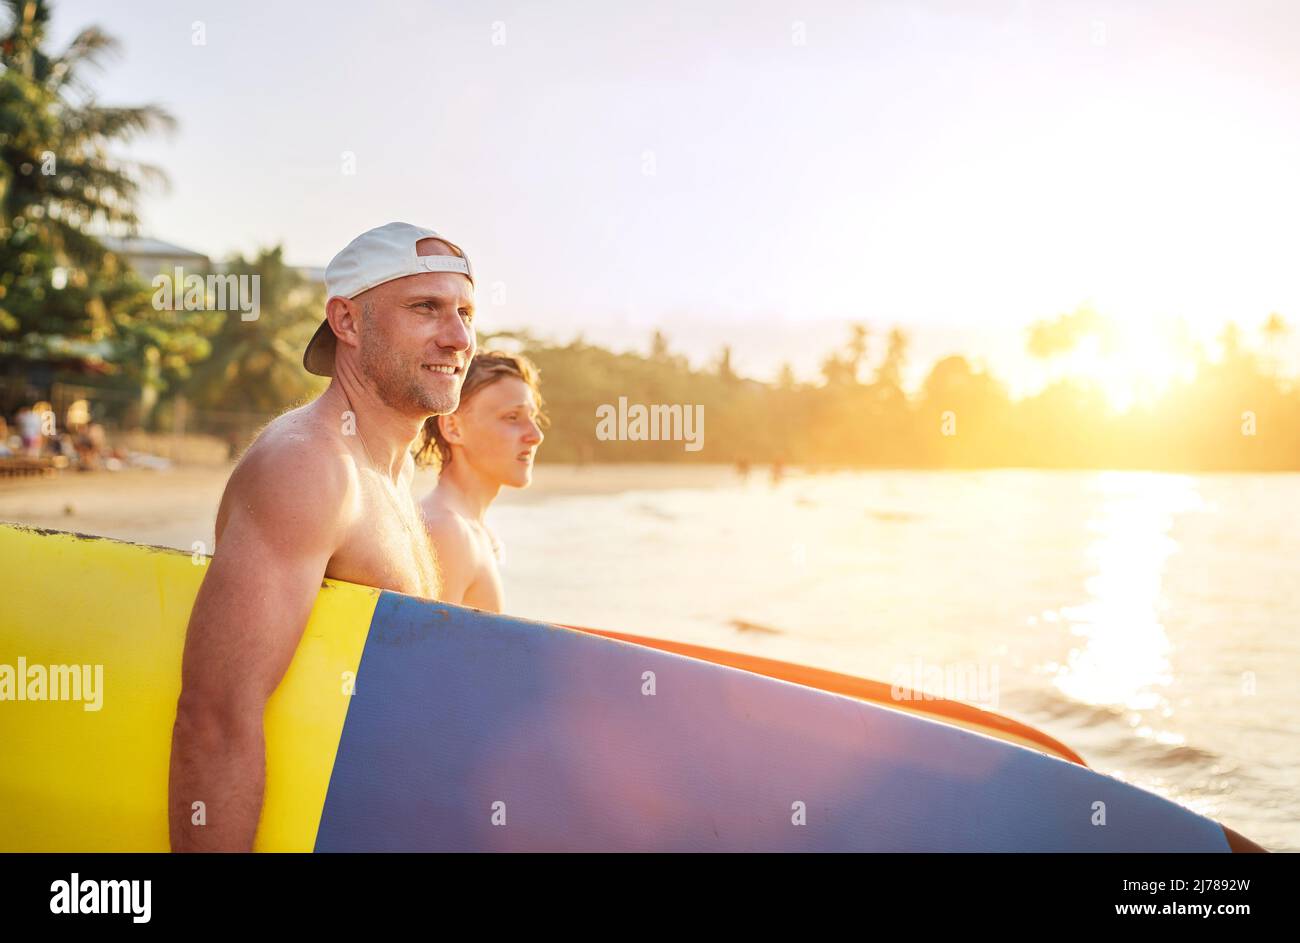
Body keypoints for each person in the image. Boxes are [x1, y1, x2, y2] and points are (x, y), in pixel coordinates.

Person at [169, 222, 477, 852]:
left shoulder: (390, 472)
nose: (459, 339)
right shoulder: (310, 467)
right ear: (348, 322)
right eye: (427, 308)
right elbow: (216, 719)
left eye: (466, 312)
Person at [415, 351, 545, 612]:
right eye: (512, 417)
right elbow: (423, 650)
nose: (536, 435)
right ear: (453, 428)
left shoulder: (477, 531)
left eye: (534, 418)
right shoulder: (448, 533)